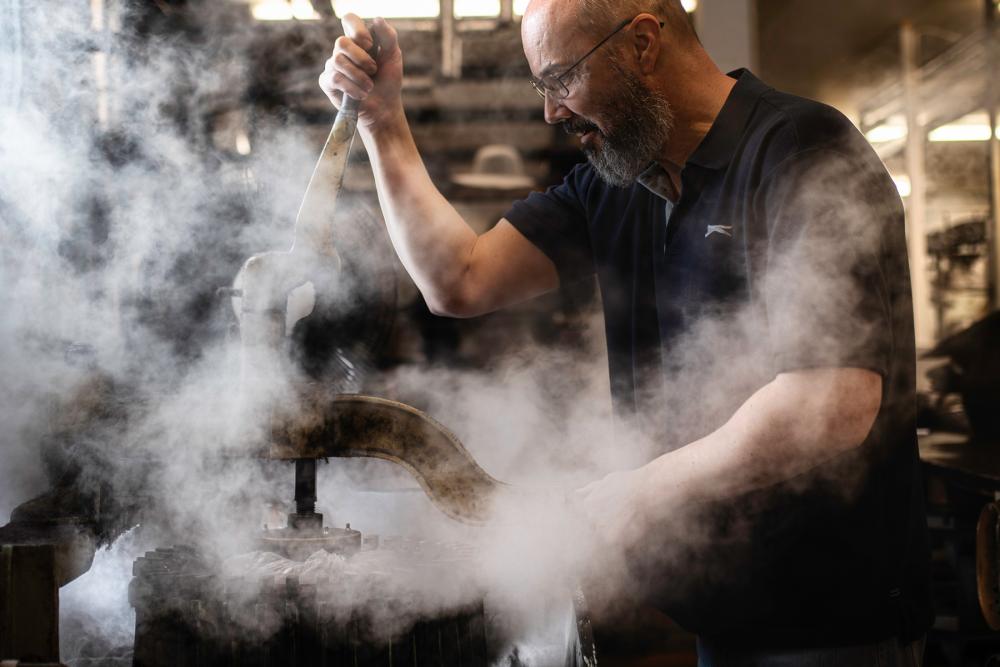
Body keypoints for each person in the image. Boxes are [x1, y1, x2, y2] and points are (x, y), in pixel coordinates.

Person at [319, 0, 932, 663]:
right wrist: (383, 121)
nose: (553, 112)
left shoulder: (799, 148)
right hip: (723, 617)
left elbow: (833, 402)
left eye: (563, 78)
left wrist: (640, 493)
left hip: (833, 625)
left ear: (642, 43)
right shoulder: (618, 184)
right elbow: (457, 278)